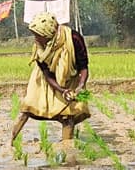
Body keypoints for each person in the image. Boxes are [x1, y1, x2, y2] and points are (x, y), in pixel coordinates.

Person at [11, 12, 90, 144]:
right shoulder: (38, 47)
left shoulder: (74, 38)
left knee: (69, 116)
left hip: (74, 78)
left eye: (38, 35)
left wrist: (80, 88)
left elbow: (84, 66)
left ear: (48, 33)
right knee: (27, 107)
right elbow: (47, 74)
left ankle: (67, 147)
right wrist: (61, 90)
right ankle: (10, 142)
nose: (35, 38)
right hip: (43, 78)